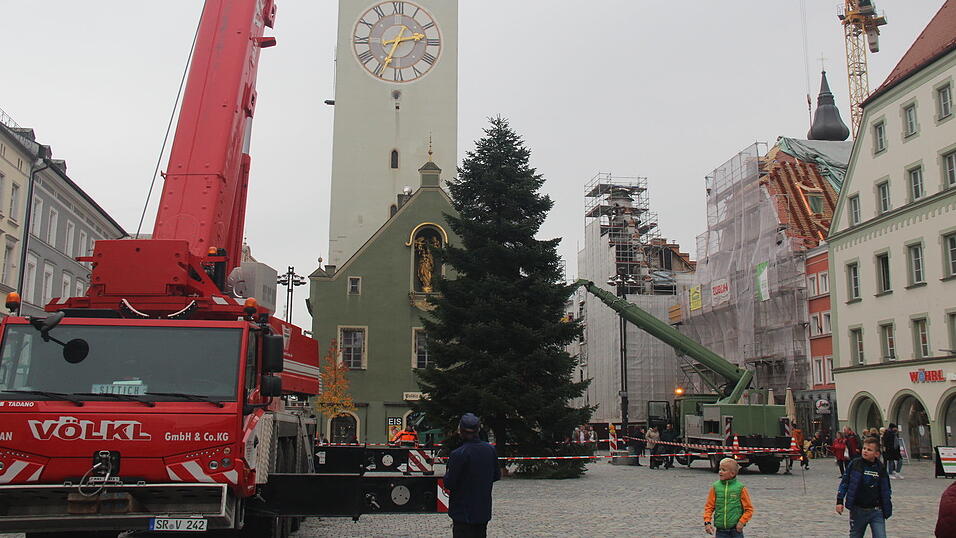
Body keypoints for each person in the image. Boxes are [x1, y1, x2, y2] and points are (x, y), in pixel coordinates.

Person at [444, 413, 500, 538]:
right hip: (482, 510)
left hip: (462, 512)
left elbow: (449, 483)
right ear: (478, 430)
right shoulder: (490, 450)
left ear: (460, 431)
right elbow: (496, 475)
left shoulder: (458, 454)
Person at [836, 437, 892, 538]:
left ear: (877, 454)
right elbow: (845, 482)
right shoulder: (855, 464)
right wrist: (839, 501)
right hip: (858, 509)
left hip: (876, 510)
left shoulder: (881, 468)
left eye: (869, 450)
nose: (865, 451)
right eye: (864, 448)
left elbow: (886, 489)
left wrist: (886, 506)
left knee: (881, 536)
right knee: (855, 535)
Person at [703, 458, 754, 537]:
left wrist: (742, 522)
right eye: (720, 469)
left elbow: (749, 509)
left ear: (732, 473)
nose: (720, 472)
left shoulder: (740, 488)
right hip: (721, 530)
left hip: (736, 530)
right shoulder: (715, 487)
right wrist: (707, 522)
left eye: (724, 470)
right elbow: (709, 507)